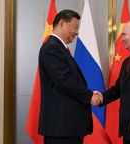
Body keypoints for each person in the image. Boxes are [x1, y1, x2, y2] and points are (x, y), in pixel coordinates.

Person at [38, 9, 101, 144]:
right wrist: (90, 96)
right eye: (75, 27)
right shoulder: (52, 48)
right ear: (62, 23)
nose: (77, 33)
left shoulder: (59, 48)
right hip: (61, 127)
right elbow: (63, 81)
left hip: (66, 127)